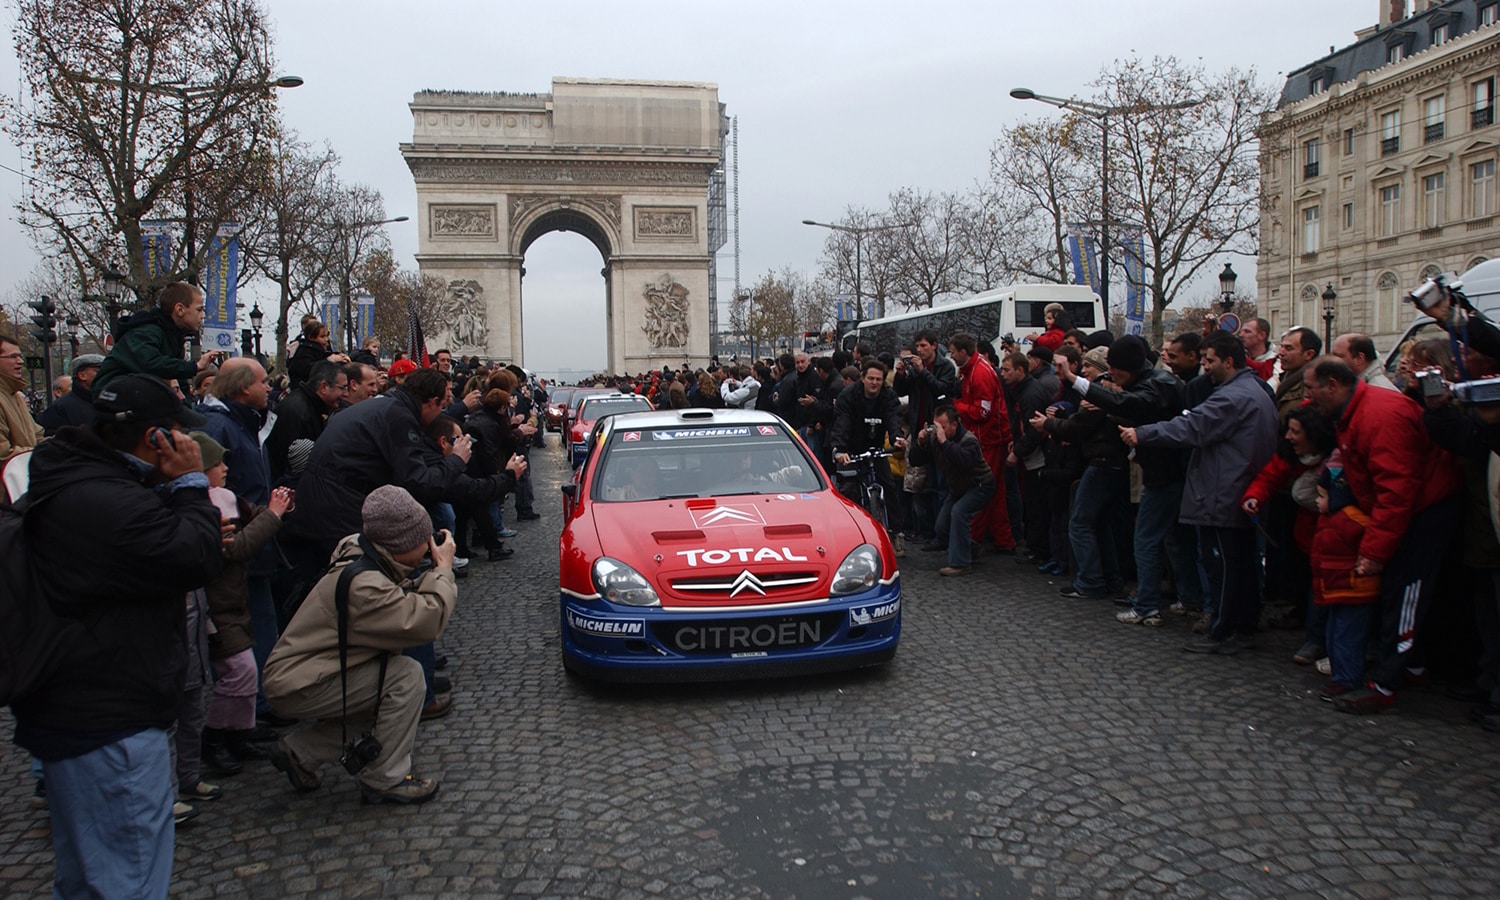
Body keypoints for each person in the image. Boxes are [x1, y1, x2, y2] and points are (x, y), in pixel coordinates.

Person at [13, 373, 223, 897]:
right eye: (177, 431)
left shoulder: (73, 480)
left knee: (87, 875)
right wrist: (192, 486)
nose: (186, 443)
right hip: (110, 711)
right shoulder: (110, 501)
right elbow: (194, 557)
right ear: (155, 437)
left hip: (75, 704)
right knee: (126, 877)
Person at [263, 486, 456, 805]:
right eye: (423, 540)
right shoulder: (364, 583)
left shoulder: (368, 556)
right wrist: (443, 570)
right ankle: (386, 778)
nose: (427, 547)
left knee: (387, 696)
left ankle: (301, 752)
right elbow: (426, 621)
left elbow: (400, 597)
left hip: (308, 672)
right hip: (299, 682)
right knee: (405, 678)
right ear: (401, 544)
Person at [1298, 357, 1463, 713]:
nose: (1308, 399)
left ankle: (1387, 682)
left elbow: (1397, 490)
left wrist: (1373, 550)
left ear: (1332, 385)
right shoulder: (1359, 412)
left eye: (1310, 390)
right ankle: (1410, 665)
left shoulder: (1379, 415)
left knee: (1403, 596)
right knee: (1397, 594)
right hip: (1408, 511)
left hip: (1422, 514)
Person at [1120, 332, 1279, 655]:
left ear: (1228, 361)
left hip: (1225, 492)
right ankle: (1242, 625)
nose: (1204, 366)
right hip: (1239, 488)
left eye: (1209, 360)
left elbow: (1191, 427)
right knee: (1241, 566)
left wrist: (1143, 434)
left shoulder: (1232, 397)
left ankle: (1223, 629)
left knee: (1224, 567)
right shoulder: (1254, 391)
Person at [1056, 335, 1195, 623]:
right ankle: (1191, 598)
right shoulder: (1158, 381)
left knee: (1145, 539)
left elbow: (1125, 403)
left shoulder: (1156, 387)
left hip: (1164, 475)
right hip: (1167, 472)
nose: (1112, 375)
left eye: (1114, 369)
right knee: (1174, 539)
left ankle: (1147, 607)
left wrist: (1074, 380)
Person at [908, 404, 994, 576]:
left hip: (980, 486)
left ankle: (961, 563)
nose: (938, 431)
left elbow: (962, 463)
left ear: (954, 425)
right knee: (941, 528)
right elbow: (915, 460)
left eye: (943, 427)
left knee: (959, 513)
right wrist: (920, 443)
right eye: (936, 426)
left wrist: (944, 442)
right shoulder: (936, 440)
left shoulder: (969, 440)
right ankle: (972, 549)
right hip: (958, 489)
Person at [948, 332, 1013, 552]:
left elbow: (983, 412)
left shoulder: (979, 373)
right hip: (987, 437)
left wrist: (958, 407)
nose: (952, 356)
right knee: (994, 492)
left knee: (981, 489)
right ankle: (1002, 539)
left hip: (988, 439)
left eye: (954, 352)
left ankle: (972, 541)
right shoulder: (973, 370)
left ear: (963, 352)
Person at [94, 282, 221, 392]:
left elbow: (179, 383)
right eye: (199, 310)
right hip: (113, 395)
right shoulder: (145, 331)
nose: (203, 315)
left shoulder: (173, 336)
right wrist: (195, 367)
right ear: (180, 309)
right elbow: (151, 364)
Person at [830, 358, 905, 530]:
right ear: (863, 378)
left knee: (889, 486)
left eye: (878, 379)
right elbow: (842, 423)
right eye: (871, 378)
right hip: (851, 448)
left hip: (876, 448)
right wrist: (840, 450)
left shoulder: (889, 396)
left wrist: (896, 438)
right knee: (848, 489)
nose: (874, 382)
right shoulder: (848, 395)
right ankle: (851, 528)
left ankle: (895, 532)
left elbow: (893, 418)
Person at [266, 360, 346, 480]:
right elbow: (292, 461)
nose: (345, 393)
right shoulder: (298, 412)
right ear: (324, 387)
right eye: (343, 388)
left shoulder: (309, 406)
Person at [0, 330, 44, 464]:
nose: (20, 361)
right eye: (13, 356)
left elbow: (38, 436)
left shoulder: (16, 396)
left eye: (20, 356)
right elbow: (3, 454)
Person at [39, 353, 105, 436]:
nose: (104, 375)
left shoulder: (106, 402)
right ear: (82, 375)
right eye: (98, 371)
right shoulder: (59, 408)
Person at [1331, 333, 1396, 391]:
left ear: (1359, 358)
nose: (1331, 360)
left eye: (1338, 356)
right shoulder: (1354, 385)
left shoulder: (1381, 390)